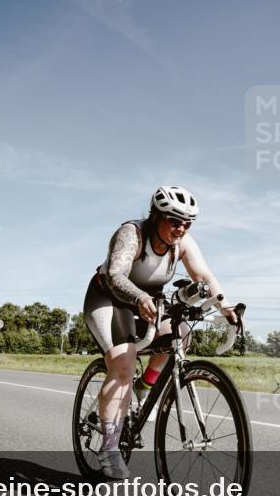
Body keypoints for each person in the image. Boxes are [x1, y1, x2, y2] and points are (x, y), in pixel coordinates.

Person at [83, 185, 238, 479]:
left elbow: (204, 276)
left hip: (148, 302)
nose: (180, 229)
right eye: (173, 221)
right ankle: (110, 448)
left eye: (187, 223)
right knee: (123, 365)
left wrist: (226, 308)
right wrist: (139, 297)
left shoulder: (183, 242)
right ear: (155, 216)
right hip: (109, 297)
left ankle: (144, 388)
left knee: (181, 335)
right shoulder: (132, 233)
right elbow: (115, 275)